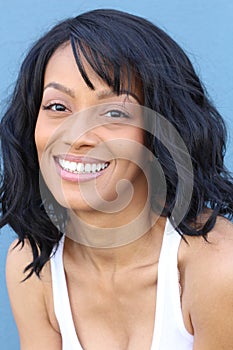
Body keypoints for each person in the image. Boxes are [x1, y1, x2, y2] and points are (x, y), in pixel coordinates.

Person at [1, 8, 233, 350]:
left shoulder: (217, 268)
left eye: (114, 112)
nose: (77, 136)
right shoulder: (32, 263)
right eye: (57, 107)